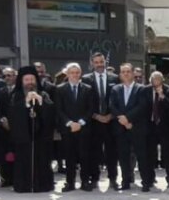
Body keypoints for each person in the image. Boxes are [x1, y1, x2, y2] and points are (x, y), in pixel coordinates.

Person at [7, 66, 55, 193]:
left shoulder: (43, 94)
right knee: (23, 160)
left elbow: (51, 113)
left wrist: (41, 102)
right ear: (22, 81)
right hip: (23, 137)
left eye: (32, 79)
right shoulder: (16, 95)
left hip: (40, 137)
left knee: (42, 160)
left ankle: (43, 185)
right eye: (27, 80)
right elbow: (12, 115)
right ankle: (24, 185)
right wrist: (25, 102)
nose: (30, 82)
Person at [110, 63, 151, 191]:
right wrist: (122, 119)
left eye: (128, 71)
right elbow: (112, 106)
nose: (126, 74)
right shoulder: (115, 89)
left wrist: (128, 119)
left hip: (136, 127)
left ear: (133, 73)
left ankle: (146, 182)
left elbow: (142, 106)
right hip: (121, 128)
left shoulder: (142, 89)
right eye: (123, 72)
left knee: (142, 156)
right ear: (120, 74)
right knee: (123, 157)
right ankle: (125, 182)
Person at [56, 63, 95, 192]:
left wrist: (81, 122)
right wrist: (70, 123)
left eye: (77, 72)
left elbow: (91, 108)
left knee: (85, 156)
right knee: (69, 156)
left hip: (84, 128)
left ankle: (85, 181)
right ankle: (70, 182)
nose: (75, 75)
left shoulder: (88, 89)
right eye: (72, 73)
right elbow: (59, 109)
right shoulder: (60, 89)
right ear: (67, 74)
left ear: (80, 74)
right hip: (68, 128)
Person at [82, 52, 118, 190]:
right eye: (96, 62)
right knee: (94, 152)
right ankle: (95, 178)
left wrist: (111, 115)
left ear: (105, 62)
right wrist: (95, 116)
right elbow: (84, 102)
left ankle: (113, 179)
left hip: (111, 121)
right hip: (93, 121)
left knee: (112, 152)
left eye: (101, 61)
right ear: (92, 63)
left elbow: (117, 99)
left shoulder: (115, 78)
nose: (99, 64)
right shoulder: (85, 79)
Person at [146, 71, 169, 187]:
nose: (156, 81)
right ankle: (150, 178)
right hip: (151, 126)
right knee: (150, 154)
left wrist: (163, 97)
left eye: (158, 79)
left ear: (162, 80)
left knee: (167, 154)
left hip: (165, 127)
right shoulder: (146, 90)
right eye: (154, 79)